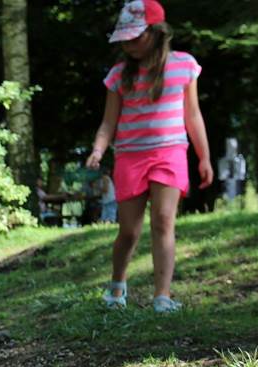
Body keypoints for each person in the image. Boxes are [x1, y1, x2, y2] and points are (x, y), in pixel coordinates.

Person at [86, 0, 213, 313]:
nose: (129, 44)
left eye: (136, 37)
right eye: (125, 39)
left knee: (163, 220)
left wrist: (204, 157)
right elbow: (108, 122)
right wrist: (98, 149)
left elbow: (193, 115)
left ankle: (162, 296)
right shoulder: (118, 75)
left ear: (157, 32)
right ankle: (117, 287)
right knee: (129, 230)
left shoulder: (184, 65)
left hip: (170, 153)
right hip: (130, 157)